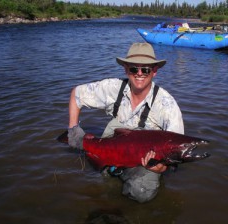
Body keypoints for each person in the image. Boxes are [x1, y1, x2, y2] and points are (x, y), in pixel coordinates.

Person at [67, 42, 184, 203]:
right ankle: (109, 174)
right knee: (104, 179)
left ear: (155, 71)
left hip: (143, 160)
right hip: (112, 146)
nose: (139, 74)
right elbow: (76, 94)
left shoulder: (168, 105)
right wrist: (73, 128)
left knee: (142, 192)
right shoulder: (113, 88)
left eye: (146, 69)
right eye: (134, 69)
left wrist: (162, 167)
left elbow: (175, 147)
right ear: (126, 69)